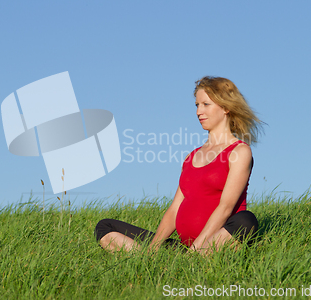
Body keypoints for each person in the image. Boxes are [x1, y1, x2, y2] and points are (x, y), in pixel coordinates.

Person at [94, 76, 265, 255]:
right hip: (183, 248)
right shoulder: (191, 157)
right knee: (105, 226)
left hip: (213, 241)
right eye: (197, 105)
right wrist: (153, 248)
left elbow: (225, 208)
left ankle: (195, 257)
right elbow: (175, 208)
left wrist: (197, 247)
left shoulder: (239, 152)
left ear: (226, 107)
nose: (199, 112)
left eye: (206, 104)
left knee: (246, 220)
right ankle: (155, 259)